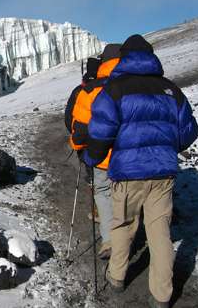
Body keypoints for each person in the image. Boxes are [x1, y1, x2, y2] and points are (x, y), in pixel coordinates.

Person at [83, 34, 198, 308]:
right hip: (163, 173)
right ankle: (162, 294)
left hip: (127, 173)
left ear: (124, 58)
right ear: (151, 56)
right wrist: (169, 147)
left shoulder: (114, 89)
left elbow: (101, 132)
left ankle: (117, 277)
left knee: (123, 226)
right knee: (160, 232)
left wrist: (92, 157)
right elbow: (189, 131)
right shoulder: (170, 89)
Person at [64, 44, 122, 259]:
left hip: (100, 155)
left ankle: (109, 240)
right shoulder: (134, 84)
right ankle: (128, 234)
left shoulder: (89, 90)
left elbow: (74, 122)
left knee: (104, 193)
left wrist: (77, 144)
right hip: (131, 156)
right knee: (127, 195)